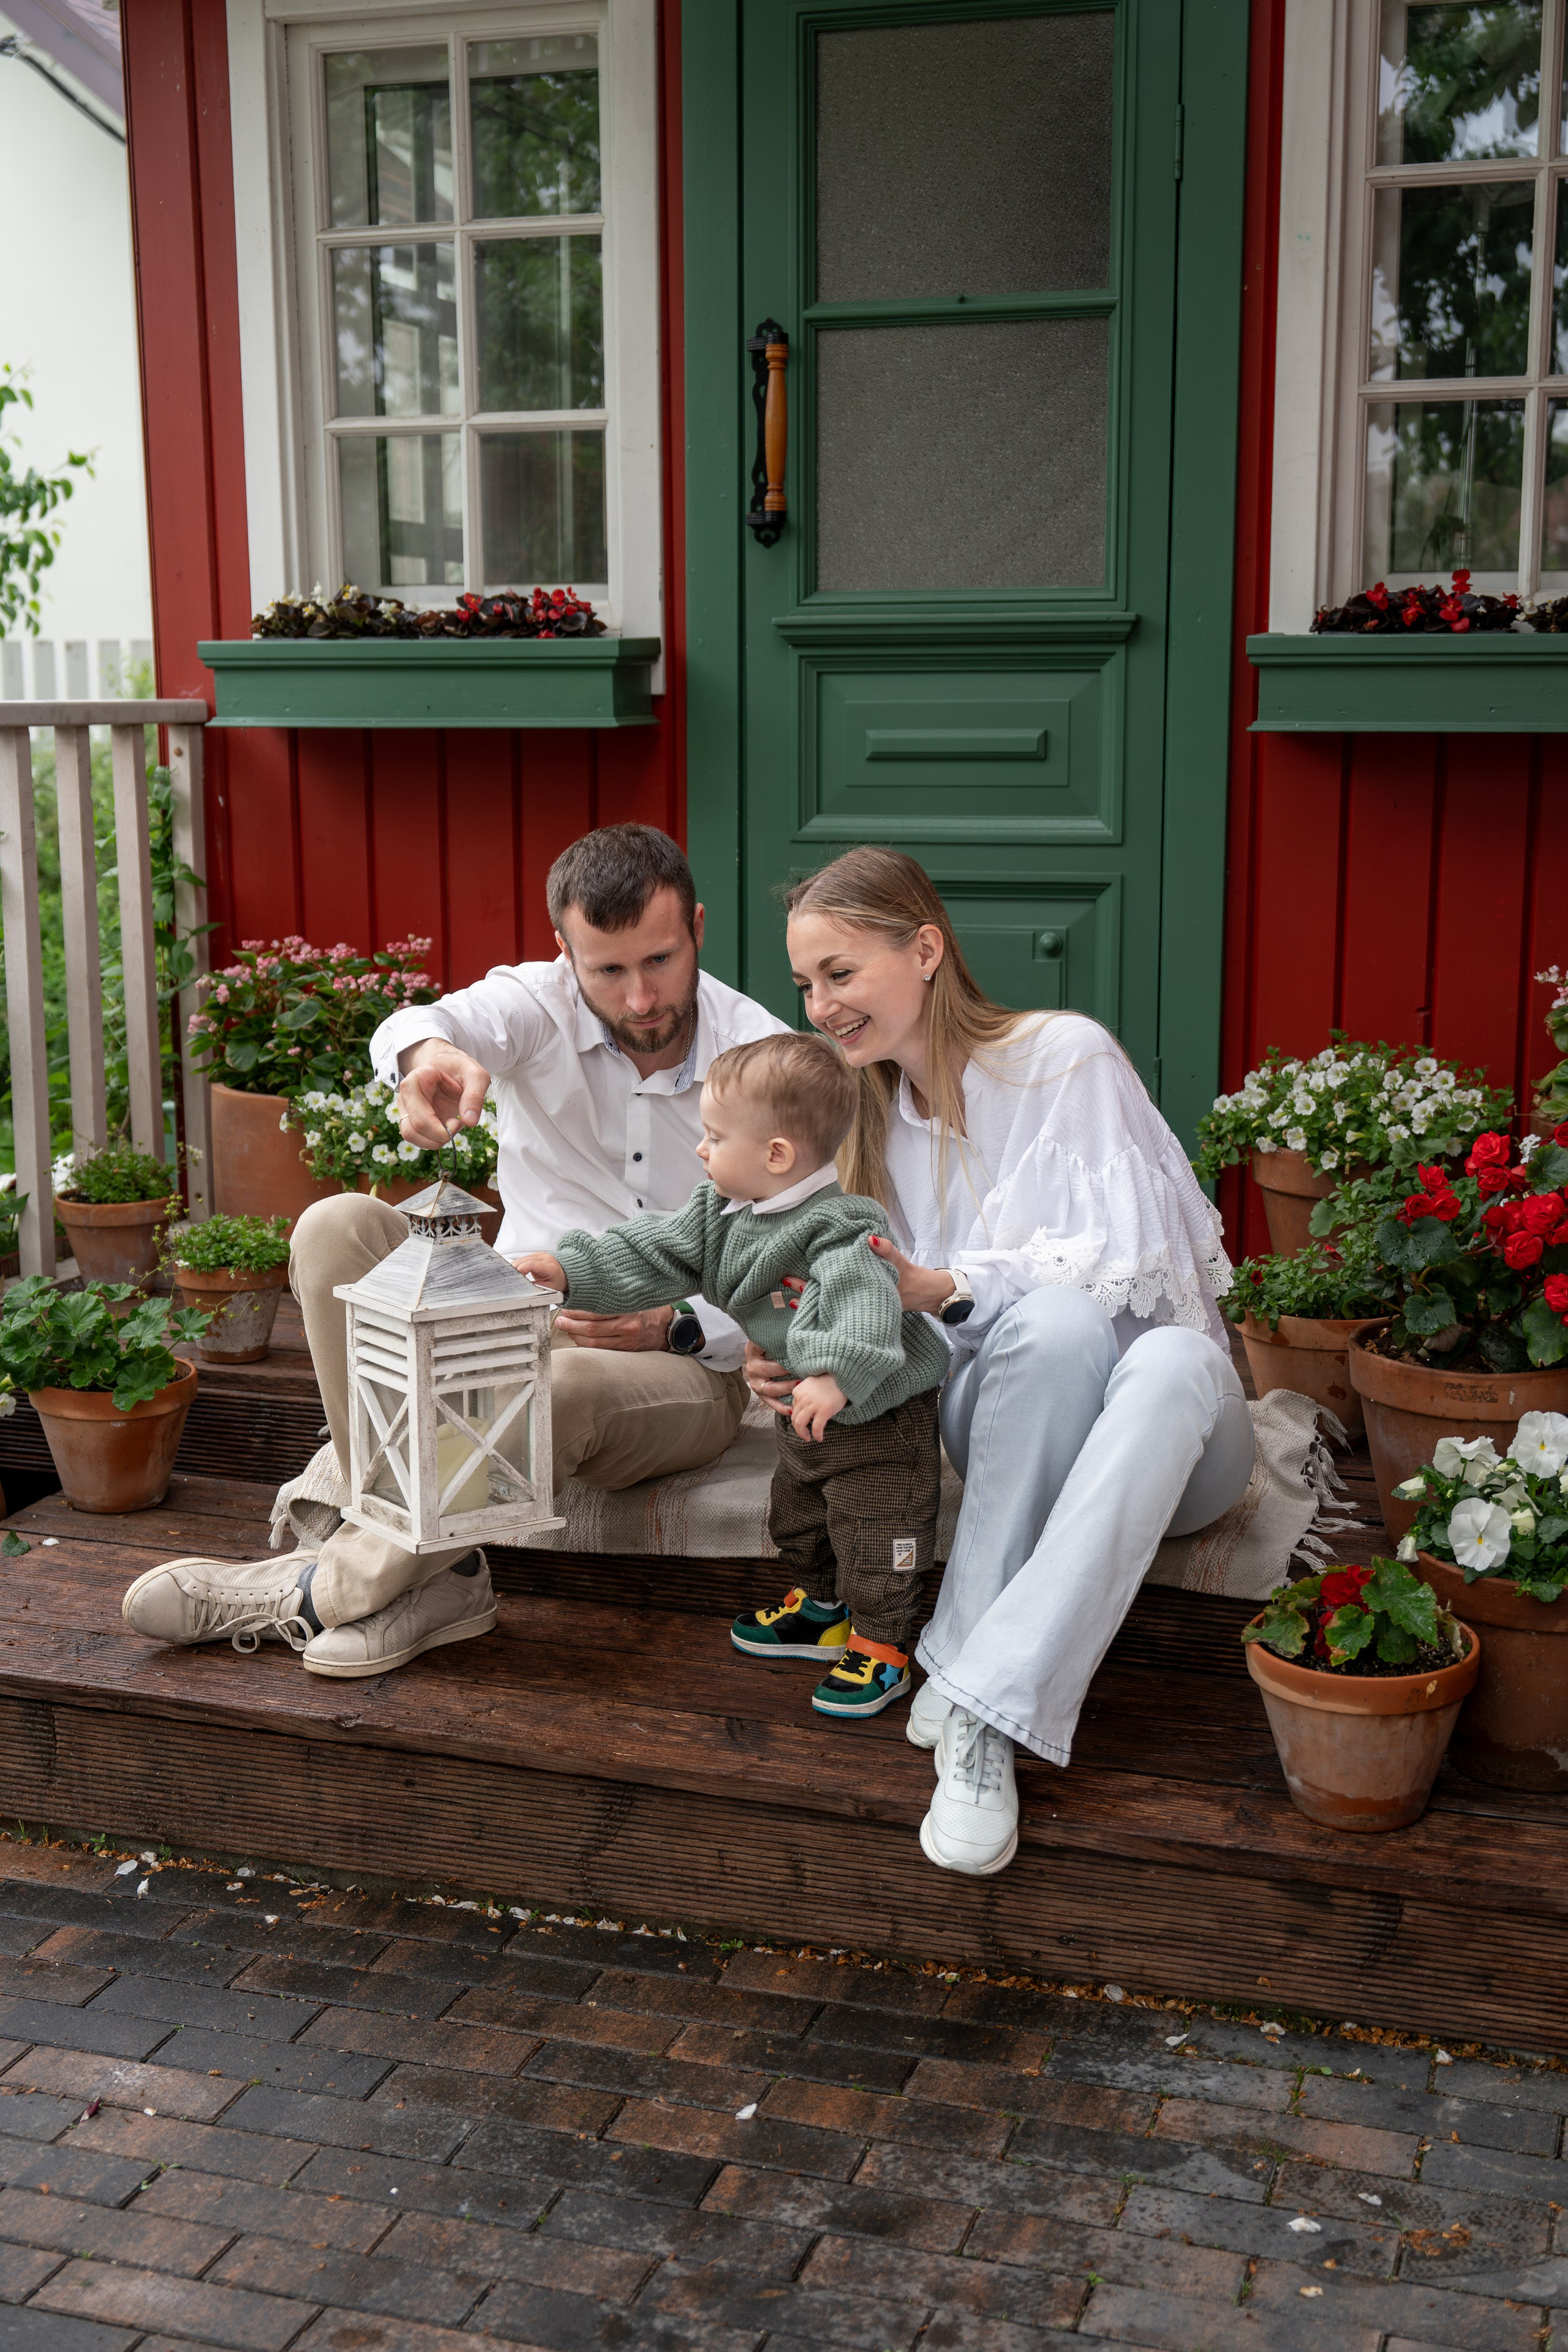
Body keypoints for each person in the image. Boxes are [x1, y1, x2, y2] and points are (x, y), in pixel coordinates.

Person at [122, 824, 786, 1675]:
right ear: (565, 952)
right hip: (511, 1310)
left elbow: (792, 1260)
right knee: (334, 1230)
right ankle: (444, 1576)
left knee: (558, 1380)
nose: (640, 999)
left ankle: (317, 1591)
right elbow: (424, 1023)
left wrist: (681, 1325)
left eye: (659, 961)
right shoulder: (535, 1001)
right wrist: (427, 1055)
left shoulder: (760, 1053)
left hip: (679, 1371)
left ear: (696, 927)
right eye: (608, 971)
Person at [747, 846, 1251, 1875]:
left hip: (1173, 1442)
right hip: (1011, 1427)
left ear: (925, 948)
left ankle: (967, 1670)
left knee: (1155, 1358)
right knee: (1049, 1328)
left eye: (839, 973)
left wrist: (942, 1285)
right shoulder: (865, 1136)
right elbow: (889, 1344)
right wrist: (808, 1357)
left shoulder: (1065, 1058)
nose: (820, 1005)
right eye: (805, 985)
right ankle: (988, 1715)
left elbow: (1132, 1273)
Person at [513, 1031, 950, 1721]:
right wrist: (572, 1271)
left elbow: (867, 1302)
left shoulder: (841, 1227)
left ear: (776, 1155)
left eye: (714, 1136)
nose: (700, 1148)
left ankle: (882, 1644)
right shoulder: (719, 1213)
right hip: (805, 1411)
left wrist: (838, 1376)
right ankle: (821, 1611)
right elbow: (652, 1247)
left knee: (875, 1530)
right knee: (799, 1516)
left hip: (877, 1413)